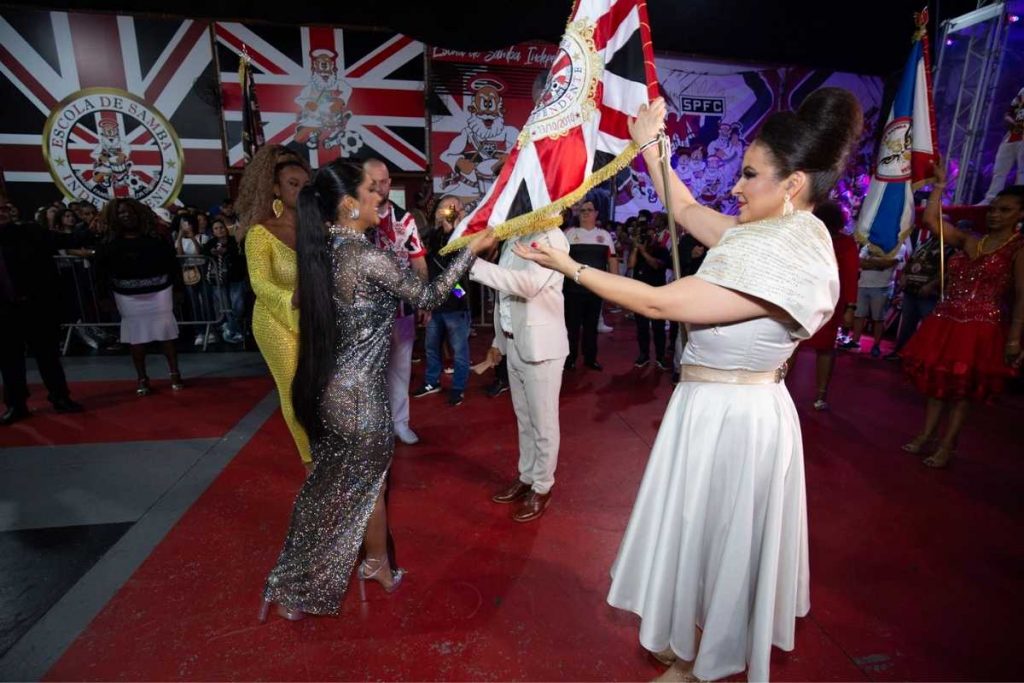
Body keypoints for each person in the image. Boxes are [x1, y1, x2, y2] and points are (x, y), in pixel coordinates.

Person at [516, 88, 860, 681]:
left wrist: (568, 265)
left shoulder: (788, 251)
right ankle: (690, 638)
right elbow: (688, 211)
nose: (735, 186)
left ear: (793, 183)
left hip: (736, 415)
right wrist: (653, 148)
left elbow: (657, 301)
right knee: (699, 536)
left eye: (749, 174)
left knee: (722, 543)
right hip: (713, 406)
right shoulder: (772, 232)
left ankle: (710, 661)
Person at [259, 161, 494, 620]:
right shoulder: (364, 256)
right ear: (349, 203)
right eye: (372, 190)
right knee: (350, 498)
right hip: (362, 400)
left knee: (342, 490)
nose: (381, 198)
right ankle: (306, 590)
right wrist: (473, 251)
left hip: (330, 393)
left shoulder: (319, 251)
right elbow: (427, 297)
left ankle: (371, 566)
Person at [901, 175, 1024, 469]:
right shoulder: (972, 240)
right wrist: (940, 188)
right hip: (946, 320)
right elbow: (931, 221)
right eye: (994, 208)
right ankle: (927, 433)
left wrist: (1015, 339)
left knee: (962, 391)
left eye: (1005, 210)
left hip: (981, 327)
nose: (995, 214)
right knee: (936, 384)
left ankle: (948, 443)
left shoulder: (1018, 249)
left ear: (1020, 214)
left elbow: (1022, 297)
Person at [469, 225, 571, 523]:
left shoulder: (553, 238)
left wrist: (474, 263)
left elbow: (526, 285)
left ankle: (542, 487)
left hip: (541, 348)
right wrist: (497, 342)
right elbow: (504, 297)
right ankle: (527, 477)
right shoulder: (514, 237)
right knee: (524, 420)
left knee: (543, 423)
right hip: (515, 343)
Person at [238, 144, 313, 468]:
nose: (300, 190)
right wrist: (291, 298)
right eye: (292, 184)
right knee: (294, 392)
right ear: (276, 189)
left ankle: (323, 449)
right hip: (274, 321)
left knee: (319, 390)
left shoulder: (317, 230)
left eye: (305, 185)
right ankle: (310, 462)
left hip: (313, 320)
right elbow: (260, 284)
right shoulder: (260, 233)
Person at [0, 203, 83, 424]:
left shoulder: (29, 232)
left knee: (48, 357)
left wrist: (90, 229)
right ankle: (16, 405)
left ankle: (60, 397)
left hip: (37, 307)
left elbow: (66, 241)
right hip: (5, 311)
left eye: (4, 208)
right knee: (10, 362)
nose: (2, 213)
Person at [363, 158, 428, 445]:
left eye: (384, 181)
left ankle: (400, 423)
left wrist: (424, 300)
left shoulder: (405, 220)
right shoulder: (351, 218)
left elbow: (420, 263)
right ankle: (371, 429)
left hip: (401, 311)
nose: (379, 187)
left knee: (401, 369)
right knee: (367, 372)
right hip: (363, 313)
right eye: (372, 182)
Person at [95, 199, 183, 396]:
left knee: (166, 332)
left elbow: (172, 265)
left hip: (160, 291)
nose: (126, 215)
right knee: (136, 337)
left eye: (129, 211)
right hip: (127, 296)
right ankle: (142, 377)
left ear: (138, 213)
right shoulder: (108, 242)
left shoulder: (156, 237)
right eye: (121, 213)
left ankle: (175, 373)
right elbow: (100, 273)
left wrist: (178, 289)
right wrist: (103, 297)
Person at [789, 201, 860, 411]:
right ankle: (816, 395)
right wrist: (850, 307)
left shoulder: (842, 243)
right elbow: (850, 276)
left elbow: (849, 274)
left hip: (819, 300)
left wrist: (850, 307)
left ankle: (787, 387)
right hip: (818, 300)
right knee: (813, 347)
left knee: (806, 346)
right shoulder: (814, 240)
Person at [412, 196, 472, 406]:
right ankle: (432, 381)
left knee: (459, 349)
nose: (447, 212)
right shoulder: (431, 236)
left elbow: (459, 265)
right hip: (434, 301)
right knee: (431, 346)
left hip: (456, 299)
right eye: (443, 208)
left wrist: (452, 230)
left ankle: (458, 388)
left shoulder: (464, 236)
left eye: (452, 209)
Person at [563, 199, 618, 370]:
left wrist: (615, 286)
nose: (585, 213)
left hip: (595, 291)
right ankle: (570, 358)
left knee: (591, 326)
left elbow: (612, 261)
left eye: (589, 210)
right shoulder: (569, 234)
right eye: (582, 210)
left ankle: (590, 358)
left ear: (596, 214)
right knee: (571, 327)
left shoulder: (605, 236)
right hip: (572, 290)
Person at [886, 226, 953, 360]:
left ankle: (923, 357)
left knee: (928, 326)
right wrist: (903, 275)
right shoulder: (923, 243)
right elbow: (911, 261)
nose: (934, 228)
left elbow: (949, 271)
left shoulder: (949, 247)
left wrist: (932, 285)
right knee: (907, 325)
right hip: (911, 289)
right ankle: (901, 353)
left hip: (929, 294)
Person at [845, 239, 905, 357]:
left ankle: (876, 345)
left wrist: (871, 262)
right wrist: (879, 263)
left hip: (882, 286)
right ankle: (855, 341)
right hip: (863, 284)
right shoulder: (869, 245)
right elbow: (860, 262)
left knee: (878, 318)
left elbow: (889, 263)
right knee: (859, 315)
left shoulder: (899, 246)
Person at [628, 220, 670, 369]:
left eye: (649, 233)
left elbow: (656, 265)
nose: (646, 237)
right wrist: (635, 249)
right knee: (642, 327)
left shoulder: (661, 249)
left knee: (658, 328)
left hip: (657, 293)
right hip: (639, 294)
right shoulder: (637, 250)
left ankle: (660, 356)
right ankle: (644, 355)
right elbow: (631, 265)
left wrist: (644, 252)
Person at [173, 212, 215, 347]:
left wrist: (193, 238)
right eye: (182, 224)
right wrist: (180, 238)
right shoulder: (178, 239)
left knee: (206, 301)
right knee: (194, 302)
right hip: (188, 273)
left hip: (202, 272)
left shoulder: (203, 237)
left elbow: (199, 253)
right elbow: (180, 255)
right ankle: (200, 332)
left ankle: (211, 330)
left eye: (187, 223)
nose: (185, 226)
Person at [203, 217, 247, 344]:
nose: (219, 230)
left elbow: (240, 254)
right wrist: (212, 252)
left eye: (221, 227)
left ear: (226, 229)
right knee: (226, 307)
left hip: (235, 278)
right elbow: (203, 252)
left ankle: (230, 328)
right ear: (213, 232)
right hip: (218, 280)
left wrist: (227, 251)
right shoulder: (211, 243)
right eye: (216, 229)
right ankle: (234, 332)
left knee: (238, 306)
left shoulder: (234, 241)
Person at [981, 85, 1023, 204]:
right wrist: (1010, 121)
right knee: (999, 168)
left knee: (1022, 171)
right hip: (1013, 135)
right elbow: (1009, 112)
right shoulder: (1023, 91)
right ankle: (991, 199)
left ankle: (1019, 202)